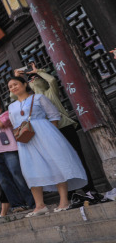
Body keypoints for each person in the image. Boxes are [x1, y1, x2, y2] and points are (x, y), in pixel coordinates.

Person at [7, 76, 87, 216]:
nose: (13, 87)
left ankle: (64, 201)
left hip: (45, 135)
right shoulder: (11, 106)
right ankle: (40, 205)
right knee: (31, 169)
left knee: (56, 164)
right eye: (10, 86)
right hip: (26, 140)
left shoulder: (39, 98)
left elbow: (54, 116)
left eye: (15, 84)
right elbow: (14, 124)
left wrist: (51, 134)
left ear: (25, 84)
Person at [16, 63, 96, 194]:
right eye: (30, 80)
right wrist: (17, 78)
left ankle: (90, 190)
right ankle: (71, 194)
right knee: (59, 163)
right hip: (48, 135)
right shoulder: (30, 100)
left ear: (42, 81)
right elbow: (15, 97)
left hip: (64, 127)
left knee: (78, 157)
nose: (33, 80)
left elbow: (52, 80)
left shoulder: (50, 92)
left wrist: (38, 71)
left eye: (36, 78)